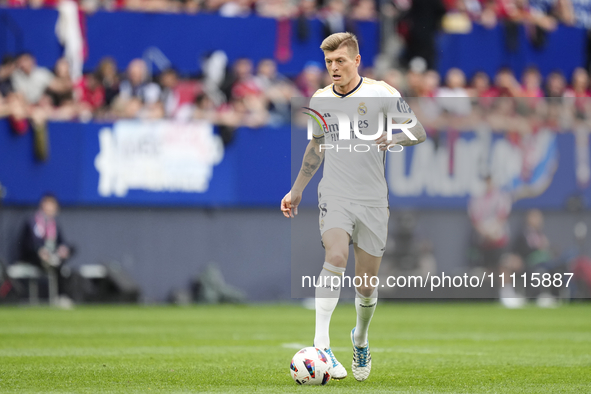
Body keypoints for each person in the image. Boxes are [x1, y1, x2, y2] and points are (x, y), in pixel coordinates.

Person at [281, 32, 426, 382]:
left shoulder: (382, 93)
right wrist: (297, 189)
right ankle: (321, 346)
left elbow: (418, 130)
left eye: (340, 61)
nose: (334, 67)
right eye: (329, 62)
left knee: (365, 284)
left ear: (356, 61)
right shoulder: (320, 99)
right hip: (335, 195)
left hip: (374, 200)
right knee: (334, 257)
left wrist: (394, 137)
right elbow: (316, 147)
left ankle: (359, 338)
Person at [18, 193, 74, 303]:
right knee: (51, 262)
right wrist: (39, 251)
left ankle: (61, 296)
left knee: (66, 255)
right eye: (48, 205)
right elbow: (27, 244)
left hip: (52, 255)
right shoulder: (32, 222)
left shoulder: (54, 224)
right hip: (33, 257)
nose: (50, 208)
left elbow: (61, 242)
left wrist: (63, 249)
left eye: (53, 205)